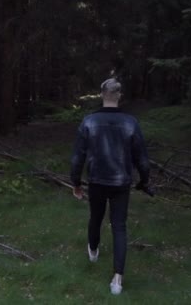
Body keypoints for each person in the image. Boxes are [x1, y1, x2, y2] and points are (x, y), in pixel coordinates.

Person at [70, 77, 151, 295]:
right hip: (121, 183)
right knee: (119, 227)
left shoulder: (89, 121)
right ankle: (117, 281)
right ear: (119, 96)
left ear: (102, 95)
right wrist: (144, 180)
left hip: (97, 181)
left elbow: (77, 157)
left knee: (95, 218)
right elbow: (142, 158)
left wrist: (76, 183)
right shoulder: (131, 122)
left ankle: (93, 252)